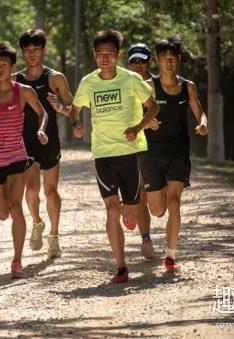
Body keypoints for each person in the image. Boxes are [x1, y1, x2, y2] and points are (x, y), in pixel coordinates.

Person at [71, 30, 159, 283]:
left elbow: (154, 107)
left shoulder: (131, 79)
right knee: (111, 210)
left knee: (129, 216)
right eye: (101, 55)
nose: (105, 59)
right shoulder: (88, 83)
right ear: (95, 56)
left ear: (117, 56)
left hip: (129, 153)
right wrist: (76, 123)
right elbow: (75, 108)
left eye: (110, 54)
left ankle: (129, 217)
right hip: (103, 154)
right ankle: (121, 267)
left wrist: (137, 128)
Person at [0, 43, 49, 279]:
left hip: (17, 156)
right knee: (2, 214)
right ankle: (16, 253)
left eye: (4, 65)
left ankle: (17, 261)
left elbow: (43, 113)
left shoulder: (24, 92)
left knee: (16, 207)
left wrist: (41, 130)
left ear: (12, 67)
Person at [139, 38, 208, 272]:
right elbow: (131, 114)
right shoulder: (147, 85)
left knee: (175, 201)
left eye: (173, 59)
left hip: (178, 152)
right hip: (150, 154)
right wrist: (145, 123)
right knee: (158, 210)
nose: (169, 63)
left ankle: (171, 256)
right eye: (164, 59)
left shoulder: (188, 87)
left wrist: (203, 124)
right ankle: (146, 201)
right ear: (158, 61)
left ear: (178, 60)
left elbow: (200, 112)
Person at [15, 29, 74, 258]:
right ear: (22, 53)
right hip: (25, 142)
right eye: (27, 50)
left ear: (44, 51)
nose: (31, 54)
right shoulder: (15, 81)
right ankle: (37, 222)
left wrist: (60, 106)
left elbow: (72, 109)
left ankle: (54, 236)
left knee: (51, 191)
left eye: (36, 50)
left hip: (50, 141)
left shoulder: (55, 78)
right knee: (31, 189)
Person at [126, 43, 155, 260]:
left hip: (157, 146)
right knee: (139, 193)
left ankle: (129, 208)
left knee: (155, 202)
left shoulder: (160, 83)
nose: (138, 65)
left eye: (141, 61)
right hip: (131, 144)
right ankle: (146, 238)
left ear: (149, 62)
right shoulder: (123, 83)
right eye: (134, 62)